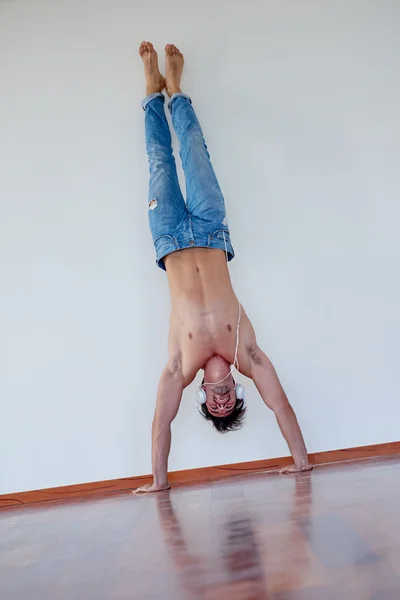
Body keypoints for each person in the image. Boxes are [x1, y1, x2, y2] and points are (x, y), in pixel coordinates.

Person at [134, 42, 313, 494]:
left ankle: (152, 93)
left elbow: (161, 422)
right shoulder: (247, 353)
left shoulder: (180, 365)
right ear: (234, 389)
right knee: (194, 150)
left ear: (202, 395)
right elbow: (282, 407)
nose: (219, 397)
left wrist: (159, 482)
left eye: (213, 402)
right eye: (226, 399)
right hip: (213, 231)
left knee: (159, 161)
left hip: (170, 236)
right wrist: (302, 463)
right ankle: (177, 91)